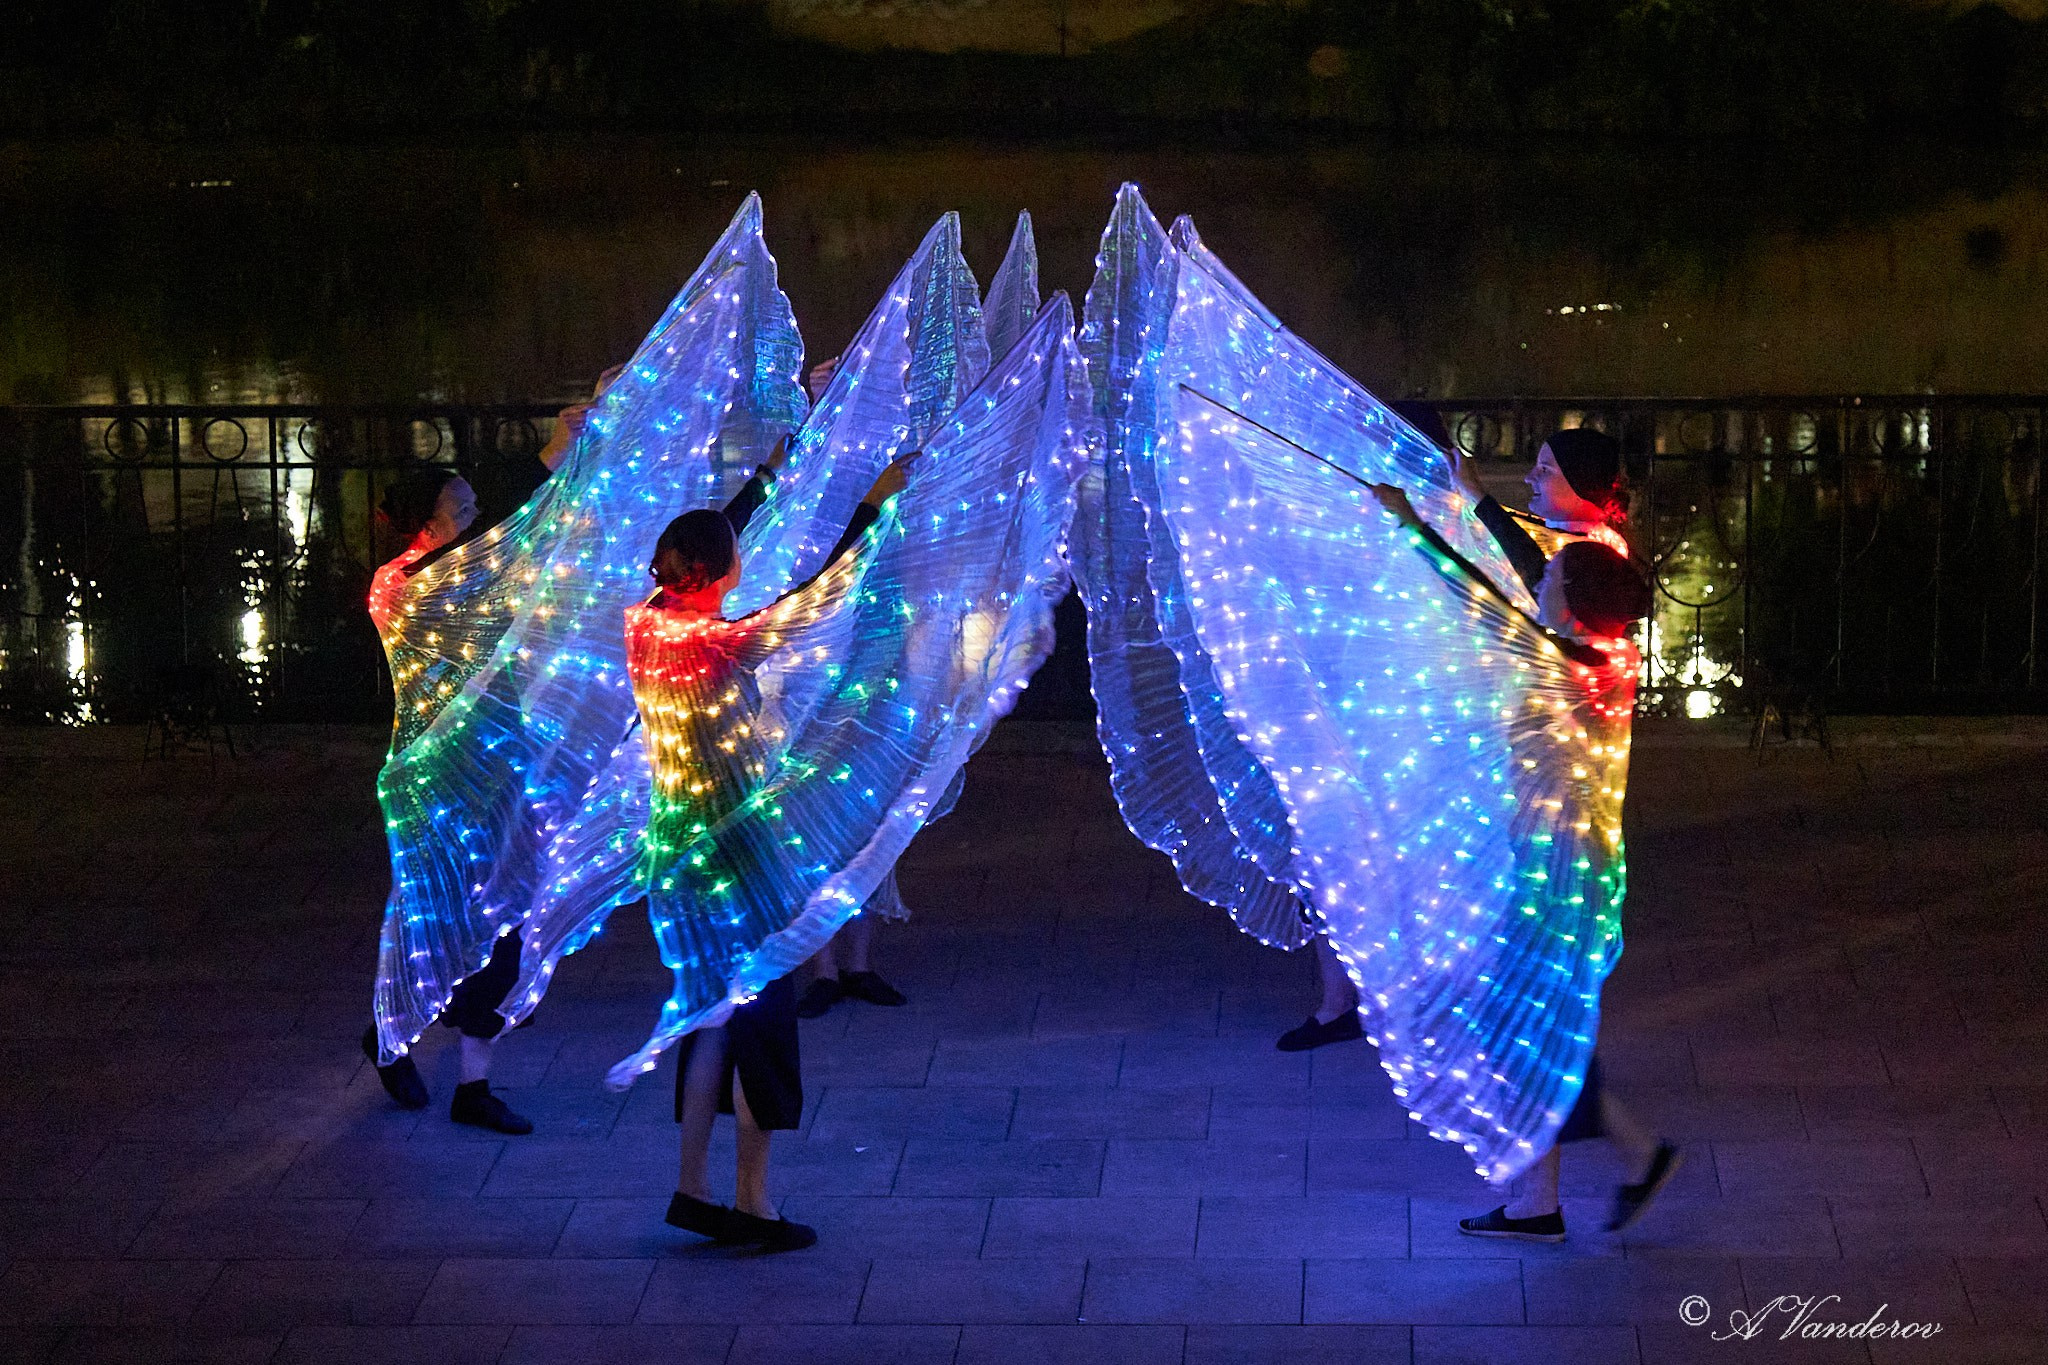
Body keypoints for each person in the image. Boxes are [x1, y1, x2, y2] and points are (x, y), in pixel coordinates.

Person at [642, 452, 918, 1252]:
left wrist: (768, 474)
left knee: (710, 1018)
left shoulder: (649, 624)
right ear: (719, 569)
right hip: (738, 850)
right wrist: (877, 516)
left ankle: (692, 1189)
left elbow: (707, 545)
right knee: (762, 1023)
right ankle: (752, 1205)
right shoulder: (721, 646)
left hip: (677, 849)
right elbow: (818, 600)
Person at [355, 381, 613, 1134]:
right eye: (463, 509)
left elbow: (529, 533)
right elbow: (517, 537)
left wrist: (568, 452)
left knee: (501, 911)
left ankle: (454, 1066)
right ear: (430, 527)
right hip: (438, 771)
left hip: (502, 757)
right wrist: (560, 457)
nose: (477, 517)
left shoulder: (471, 577)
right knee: (441, 910)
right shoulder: (403, 589)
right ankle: (405, 1035)